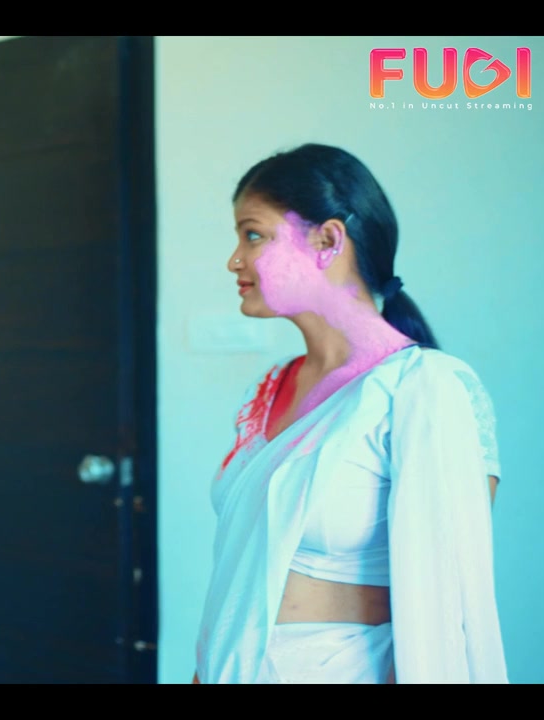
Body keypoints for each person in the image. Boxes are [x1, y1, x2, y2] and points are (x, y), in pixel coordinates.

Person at [192, 143, 506, 684]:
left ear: (328, 240)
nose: (234, 260)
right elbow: (240, 573)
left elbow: (446, 599)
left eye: (253, 235)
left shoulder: (423, 389)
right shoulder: (267, 389)